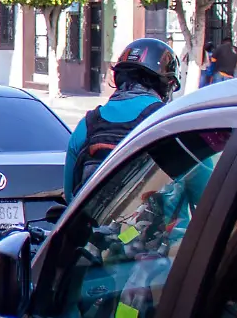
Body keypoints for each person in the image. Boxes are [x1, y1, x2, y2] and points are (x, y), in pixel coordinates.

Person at [64, 37, 180, 199]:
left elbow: (71, 196)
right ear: (168, 83)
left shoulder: (87, 125)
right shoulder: (170, 123)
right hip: (159, 224)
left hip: (95, 224)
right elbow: (205, 190)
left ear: (119, 77)